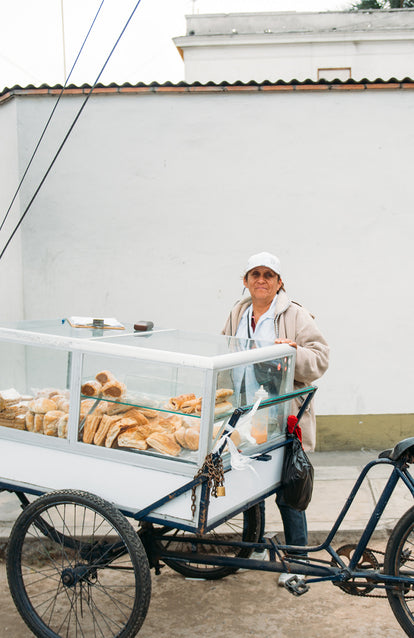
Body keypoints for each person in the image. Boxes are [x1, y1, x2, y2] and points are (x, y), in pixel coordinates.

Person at [222, 251, 329, 585]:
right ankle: (253, 549)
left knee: (288, 487)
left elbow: (321, 358)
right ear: (246, 281)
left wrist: (293, 352)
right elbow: (224, 351)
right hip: (245, 413)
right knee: (248, 483)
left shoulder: (294, 314)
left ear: (279, 282)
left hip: (283, 416)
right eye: (255, 274)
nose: (262, 280)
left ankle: (297, 561)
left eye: (269, 275)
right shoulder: (238, 312)